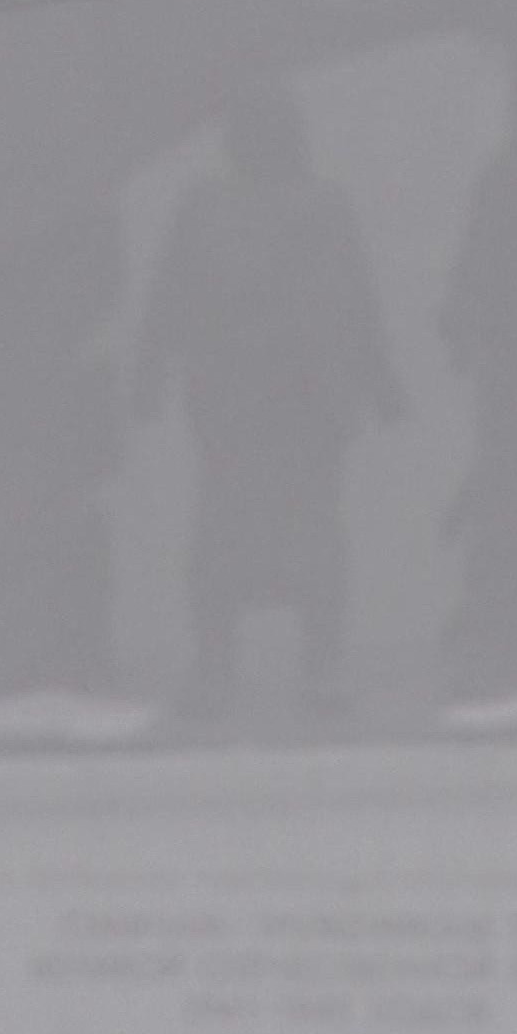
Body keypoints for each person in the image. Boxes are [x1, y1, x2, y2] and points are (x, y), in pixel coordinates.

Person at [137, 90, 406, 718]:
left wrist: (149, 379)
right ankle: (240, 661)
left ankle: (281, 662)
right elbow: (354, 303)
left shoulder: (255, 208)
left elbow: (353, 302)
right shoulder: (254, 208)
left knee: (271, 529)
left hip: (275, 405)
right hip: (266, 405)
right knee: (260, 529)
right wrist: (382, 384)